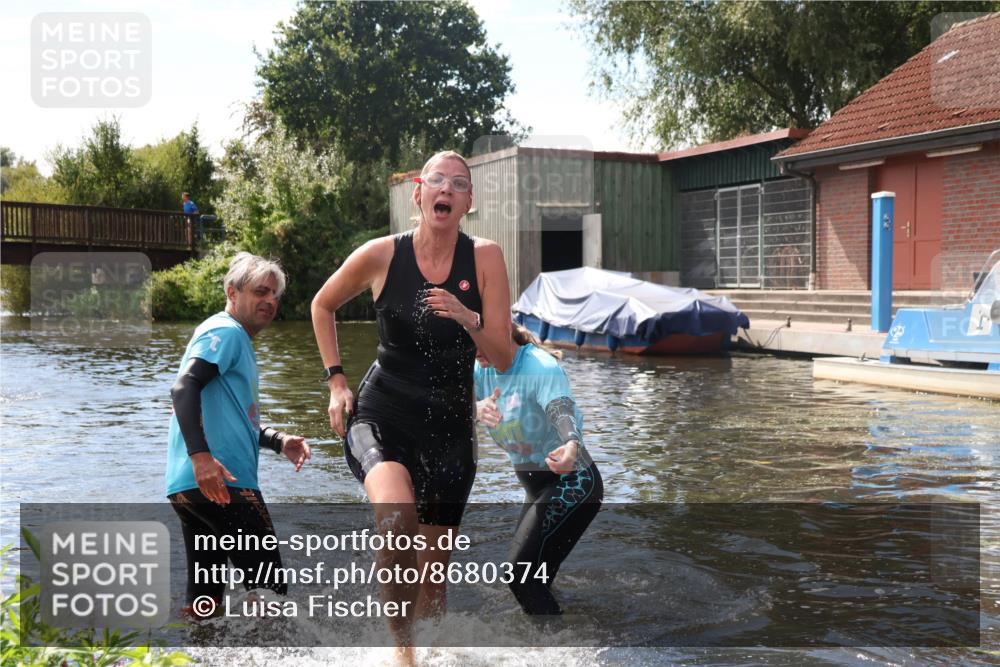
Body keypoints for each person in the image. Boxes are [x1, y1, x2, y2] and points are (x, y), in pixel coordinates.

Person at [311, 150, 513, 656]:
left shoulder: (485, 258)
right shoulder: (383, 254)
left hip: (448, 428)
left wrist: (469, 318)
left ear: (469, 201)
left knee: (433, 582)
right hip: (382, 415)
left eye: (458, 183)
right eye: (436, 181)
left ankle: (432, 654)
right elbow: (322, 303)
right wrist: (337, 381)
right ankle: (402, 655)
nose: (446, 189)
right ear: (418, 194)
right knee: (397, 518)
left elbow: (504, 357)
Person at [166, 252, 311, 618]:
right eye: (261, 292)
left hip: (190, 487)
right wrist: (201, 458)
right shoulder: (226, 332)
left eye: (275, 295)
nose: (270, 301)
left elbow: (230, 414)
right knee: (271, 592)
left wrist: (277, 440)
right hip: (223, 481)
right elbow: (184, 389)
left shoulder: (232, 338)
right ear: (232, 291)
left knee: (204, 599)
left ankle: (199, 657)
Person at [474, 323, 603, 615]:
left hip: (573, 482)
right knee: (536, 579)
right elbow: (444, 406)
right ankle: (557, 632)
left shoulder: (539, 366)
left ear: (501, 332)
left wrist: (571, 444)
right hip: (537, 489)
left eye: (482, 341)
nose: (477, 350)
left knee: (518, 576)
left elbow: (561, 409)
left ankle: (556, 649)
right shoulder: (479, 369)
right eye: (471, 341)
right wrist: (473, 408)